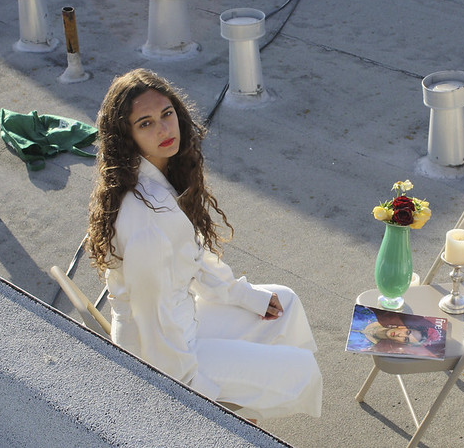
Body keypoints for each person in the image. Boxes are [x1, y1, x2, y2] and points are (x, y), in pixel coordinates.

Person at [86, 68, 322, 420]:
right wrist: (193, 390)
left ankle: (250, 406)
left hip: (183, 321)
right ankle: (240, 422)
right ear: (127, 136)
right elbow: (151, 319)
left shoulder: (156, 178)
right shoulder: (148, 219)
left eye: (166, 114)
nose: (164, 129)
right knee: (300, 369)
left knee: (283, 303)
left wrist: (245, 296)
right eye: (146, 123)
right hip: (167, 359)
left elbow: (193, 259)